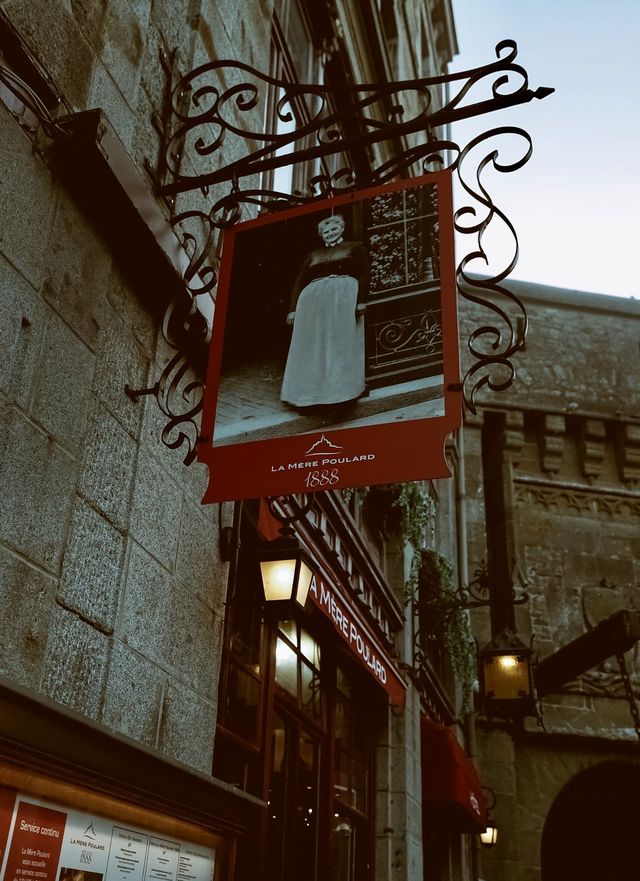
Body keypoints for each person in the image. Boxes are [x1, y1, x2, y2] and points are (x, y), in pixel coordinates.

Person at [280, 213, 369, 409]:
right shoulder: (313, 255)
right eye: (325, 231)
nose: (330, 233)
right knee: (313, 346)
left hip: (343, 300)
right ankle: (309, 395)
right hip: (312, 304)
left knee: (339, 344)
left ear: (342, 229)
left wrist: (361, 301)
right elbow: (299, 282)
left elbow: (363, 274)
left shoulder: (355, 247)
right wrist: (292, 309)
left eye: (333, 229)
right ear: (321, 235)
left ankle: (341, 392)